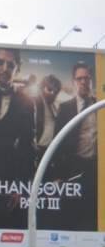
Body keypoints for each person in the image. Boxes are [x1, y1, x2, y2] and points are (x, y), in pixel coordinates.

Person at [0, 47, 35, 228]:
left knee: (1, 228)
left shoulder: (25, 101)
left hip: (6, 179)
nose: (5, 68)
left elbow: (27, 147)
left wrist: (20, 186)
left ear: (17, 69)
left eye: (10, 65)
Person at [50, 62, 98, 228]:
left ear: (91, 80)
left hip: (95, 169)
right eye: (79, 79)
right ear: (74, 82)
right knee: (71, 214)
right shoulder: (65, 108)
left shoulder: (100, 106)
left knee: (92, 213)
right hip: (71, 169)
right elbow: (57, 142)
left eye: (86, 78)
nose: (83, 82)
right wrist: (56, 175)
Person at [34, 74, 63, 161]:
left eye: (56, 91)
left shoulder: (55, 105)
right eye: (49, 89)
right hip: (37, 148)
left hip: (50, 149)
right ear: (42, 88)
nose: (52, 93)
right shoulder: (35, 101)